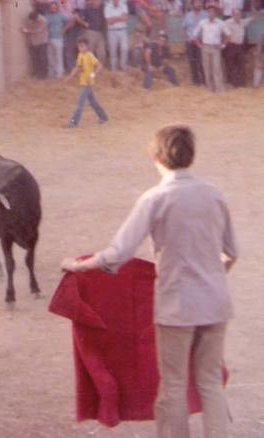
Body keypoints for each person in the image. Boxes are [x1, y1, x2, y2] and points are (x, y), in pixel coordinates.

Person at [61, 125, 236, 438]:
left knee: (174, 385)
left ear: (156, 156)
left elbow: (119, 252)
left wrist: (80, 265)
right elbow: (231, 252)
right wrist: (209, 277)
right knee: (210, 382)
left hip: (177, 305)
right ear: (191, 155)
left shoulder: (155, 198)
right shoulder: (213, 194)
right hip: (215, 302)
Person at [63, 37, 108, 128]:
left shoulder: (90, 55)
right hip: (84, 82)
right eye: (79, 46)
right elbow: (77, 67)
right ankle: (103, 117)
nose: (81, 48)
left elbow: (99, 66)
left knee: (80, 104)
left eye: (82, 46)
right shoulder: (80, 55)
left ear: (87, 46)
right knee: (93, 102)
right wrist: (70, 77)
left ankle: (73, 122)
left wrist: (93, 74)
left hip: (87, 83)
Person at [193, 3, 229, 93]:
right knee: (207, 68)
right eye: (209, 12)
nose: (211, 13)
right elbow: (194, 34)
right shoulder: (202, 22)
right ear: (207, 13)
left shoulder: (220, 23)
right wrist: (199, 44)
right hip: (205, 47)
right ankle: (209, 88)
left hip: (216, 48)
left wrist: (223, 45)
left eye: (213, 12)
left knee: (216, 68)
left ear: (216, 13)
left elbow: (228, 35)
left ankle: (219, 89)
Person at [223, 9, 259, 87]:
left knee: (241, 64)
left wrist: (257, 13)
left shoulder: (243, 22)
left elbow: (252, 19)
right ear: (232, 15)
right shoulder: (227, 23)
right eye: (235, 14)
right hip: (231, 46)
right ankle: (233, 83)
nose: (237, 16)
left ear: (240, 15)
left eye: (239, 14)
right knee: (231, 65)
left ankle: (241, 84)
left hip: (240, 46)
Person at [182, 0, 208, 85]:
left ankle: (204, 81)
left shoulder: (205, 14)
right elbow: (184, 28)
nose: (198, 4)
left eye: (200, 2)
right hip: (190, 42)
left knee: (202, 61)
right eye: (196, 2)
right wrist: (186, 39)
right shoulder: (188, 15)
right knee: (192, 62)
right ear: (193, 4)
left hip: (201, 41)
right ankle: (196, 82)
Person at [77, 0, 108, 66]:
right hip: (90, 32)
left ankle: (100, 67)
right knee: (90, 51)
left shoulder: (101, 9)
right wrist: (84, 23)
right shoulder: (87, 10)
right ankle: (89, 67)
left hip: (100, 32)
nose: (98, 2)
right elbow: (77, 17)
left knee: (102, 52)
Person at [45, 1, 70, 78]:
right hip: (48, 38)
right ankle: (51, 73)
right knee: (50, 57)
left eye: (55, 7)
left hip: (58, 38)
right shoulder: (46, 16)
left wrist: (64, 29)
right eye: (52, 7)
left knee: (58, 57)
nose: (53, 9)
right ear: (49, 8)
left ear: (57, 8)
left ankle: (59, 74)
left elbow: (70, 21)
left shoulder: (60, 15)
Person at [22, 11, 50, 79]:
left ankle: (43, 75)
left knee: (42, 58)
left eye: (34, 20)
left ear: (37, 17)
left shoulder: (43, 21)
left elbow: (38, 31)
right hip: (34, 42)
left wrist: (27, 31)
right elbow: (29, 26)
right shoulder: (32, 20)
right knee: (35, 58)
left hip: (42, 42)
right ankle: (36, 73)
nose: (32, 21)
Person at [105, 0, 130, 71]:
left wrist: (114, 18)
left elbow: (126, 18)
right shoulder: (107, 6)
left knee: (124, 48)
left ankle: (123, 66)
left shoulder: (123, 5)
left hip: (123, 30)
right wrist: (120, 17)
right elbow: (109, 21)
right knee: (113, 50)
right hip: (112, 31)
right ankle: (113, 68)